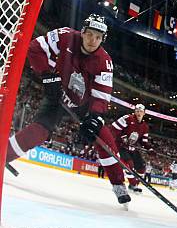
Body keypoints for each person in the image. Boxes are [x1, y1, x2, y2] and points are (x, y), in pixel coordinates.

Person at [5, 14, 130, 205]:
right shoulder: (65, 36)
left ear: (102, 39)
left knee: (105, 142)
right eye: (89, 35)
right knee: (38, 132)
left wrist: (95, 116)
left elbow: (101, 94)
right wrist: (47, 75)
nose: (92, 41)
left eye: (98, 37)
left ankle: (119, 185)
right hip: (58, 95)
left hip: (85, 105)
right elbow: (35, 49)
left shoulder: (104, 61)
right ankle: (3, 155)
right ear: (83, 32)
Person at [111, 103, 152, 193]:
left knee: (142, 168)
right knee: (129, 165)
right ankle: (133, 184)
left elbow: (143, 141)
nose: (138, 113)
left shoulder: (145, 126)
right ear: (134, 111)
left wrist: (149, 149)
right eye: (137, 110)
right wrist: (122, 137)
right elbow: (113, 128)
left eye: (140, 111)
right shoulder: (127, 118)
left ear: (144, 113)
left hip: (132, 148)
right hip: (121, 147)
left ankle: (134, 184)